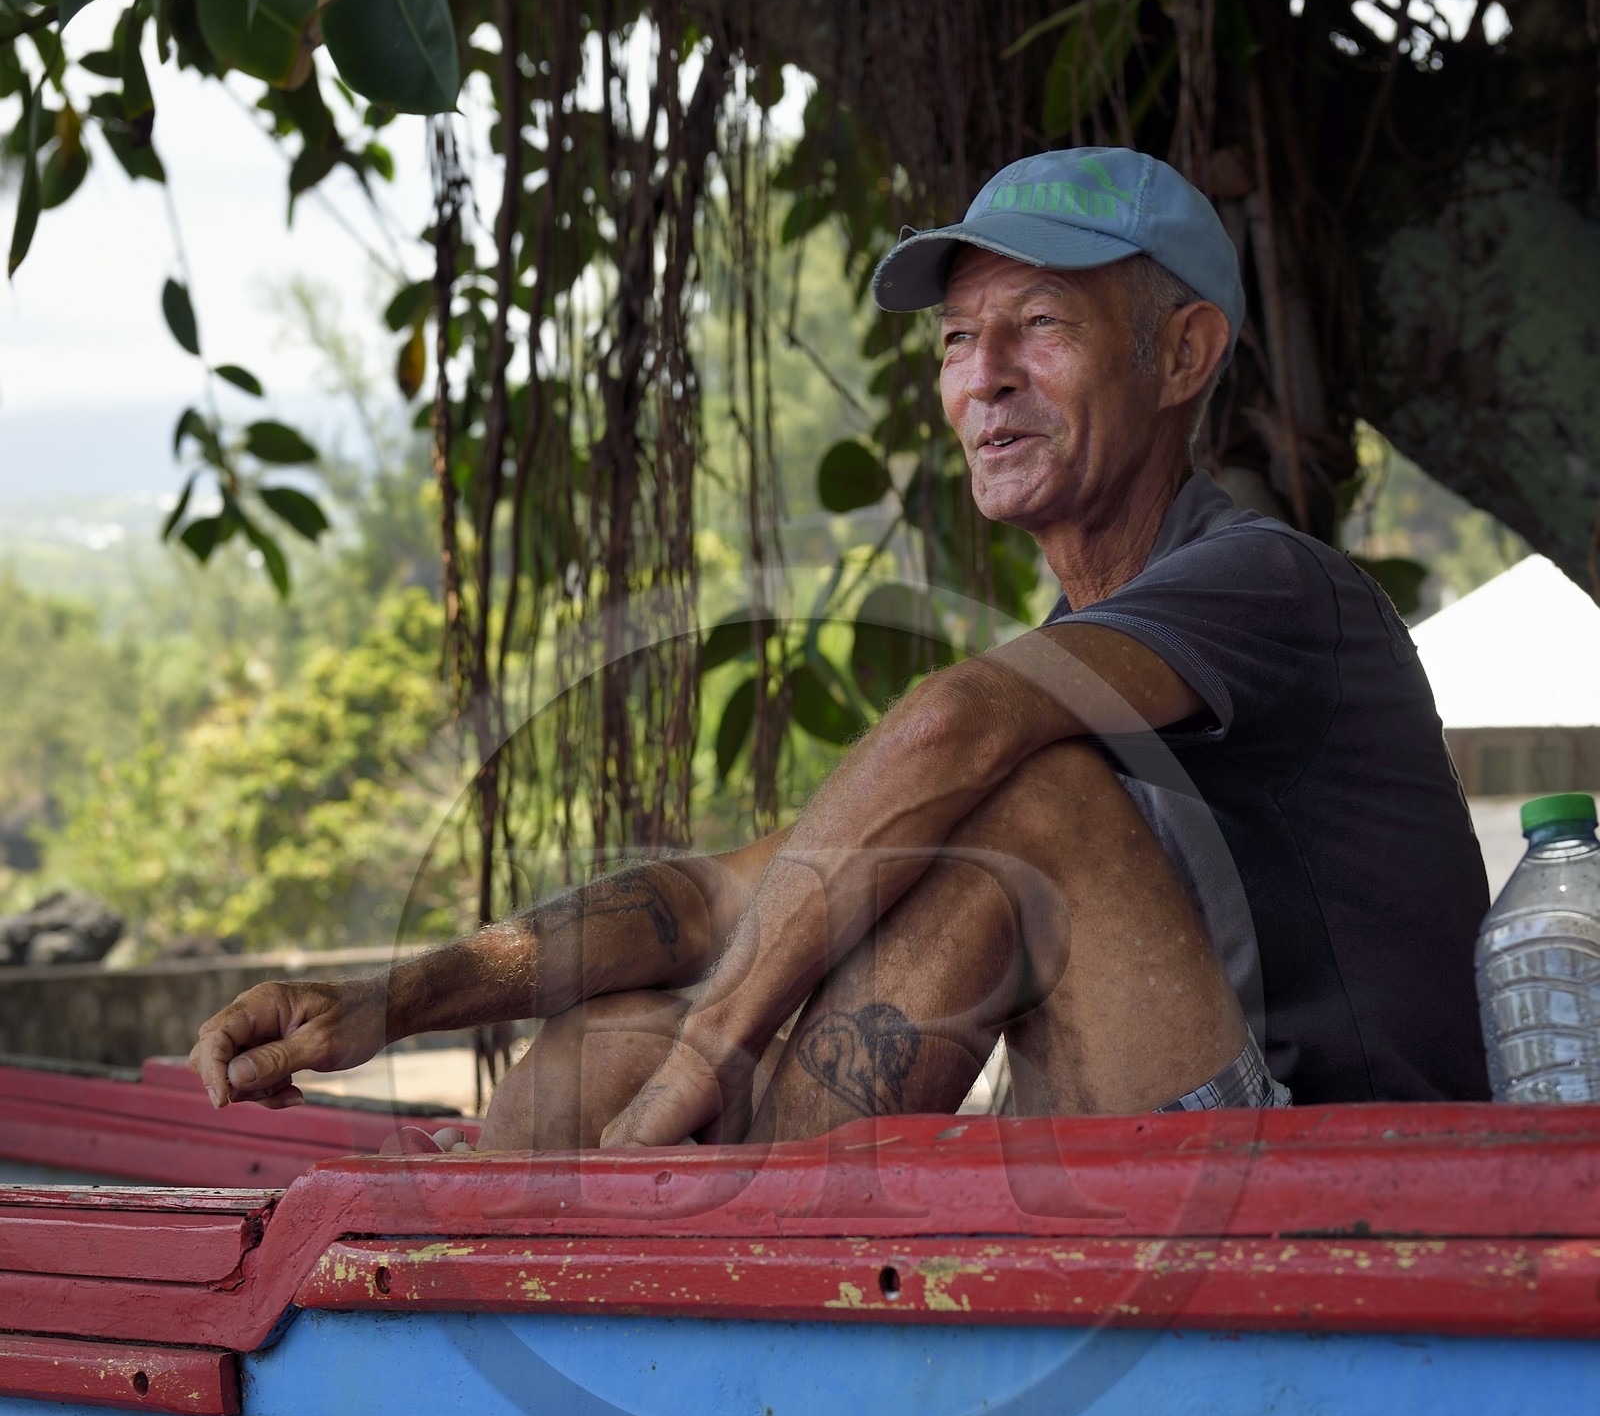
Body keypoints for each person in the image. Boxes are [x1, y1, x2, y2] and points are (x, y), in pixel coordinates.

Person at [190, 146, 1491, 1148]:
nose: (983, 378)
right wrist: (391, 1002)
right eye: (955, 341)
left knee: (1021, 796)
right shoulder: (1077, 660)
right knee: (605, 1048)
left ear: (1182, 353)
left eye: (1039, 327)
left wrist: (716, 1057)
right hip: (1161, 1161)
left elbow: (956, 728)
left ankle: (760, 1268)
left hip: (1332, 1192)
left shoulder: (1266, 584)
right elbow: (719, 897)